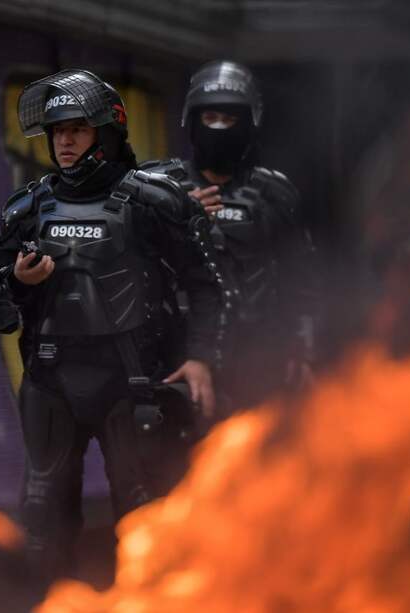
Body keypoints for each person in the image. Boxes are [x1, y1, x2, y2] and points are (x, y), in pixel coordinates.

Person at [0, 69, 224, 574]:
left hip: (131, 380)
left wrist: (199, 358)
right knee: (43, 517)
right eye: (56, 131)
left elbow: (206, 286)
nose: (63, 141)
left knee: (145, 516)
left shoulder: (154, 200)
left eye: (77, 130)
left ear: (105, 131)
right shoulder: (27, 208)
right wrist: (18, 284)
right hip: (49, 381)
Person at [142, 60, 317, 411]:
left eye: (230, 119)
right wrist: (172, 213)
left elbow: (299, 278)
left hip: (256, 358)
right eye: (210, 118)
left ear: (249, 123)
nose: (219, 128)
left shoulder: (274, 193)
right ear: (193, 120)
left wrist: (301, 349)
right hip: (172, 357)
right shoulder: (156, 186)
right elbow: (125, 256)